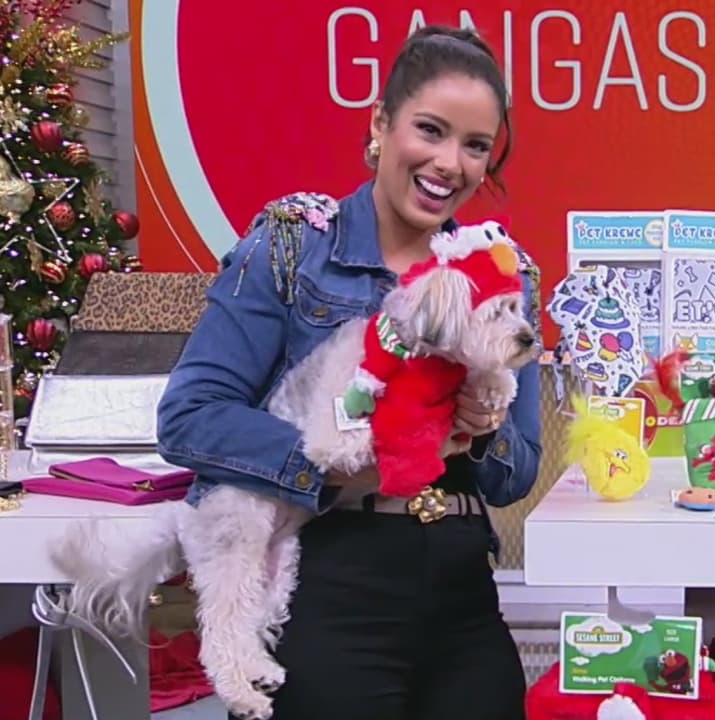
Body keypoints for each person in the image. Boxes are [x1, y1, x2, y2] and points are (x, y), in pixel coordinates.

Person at [155, 25, 540, 719]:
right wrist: (330, 467)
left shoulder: (499, 273)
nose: (449, 163)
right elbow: (191, 416)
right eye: (430, 130)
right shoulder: (294, 246)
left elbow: (515, 477)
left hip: (460, 584)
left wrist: (485, 429)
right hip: (329, 572)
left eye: (476, 145)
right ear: (381, 124)